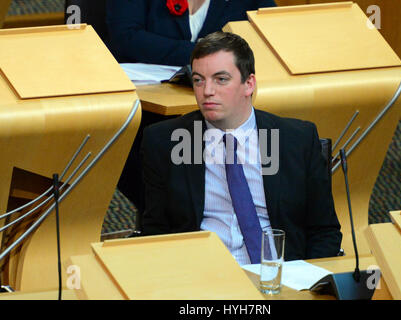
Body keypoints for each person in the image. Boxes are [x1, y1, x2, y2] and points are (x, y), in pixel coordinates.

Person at [140, 31, 342, 265]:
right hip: (202, 279)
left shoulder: (296, 139)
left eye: (221, 79)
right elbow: (155, 233)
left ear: (249, 84)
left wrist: (306, 283)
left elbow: (324, 231)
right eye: (198, 80)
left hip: (281, 277)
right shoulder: (165, 141)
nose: (207, 91)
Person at [105, 0, 277, 224]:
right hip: (147, 112)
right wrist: (208, 58)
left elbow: (269, 34)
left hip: (230, 111)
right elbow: (126, 39)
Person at [106, 0, 276, 66]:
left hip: (223, 97)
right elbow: (126, 37)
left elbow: (274, 36)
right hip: (148, 99)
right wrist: (203, 52)